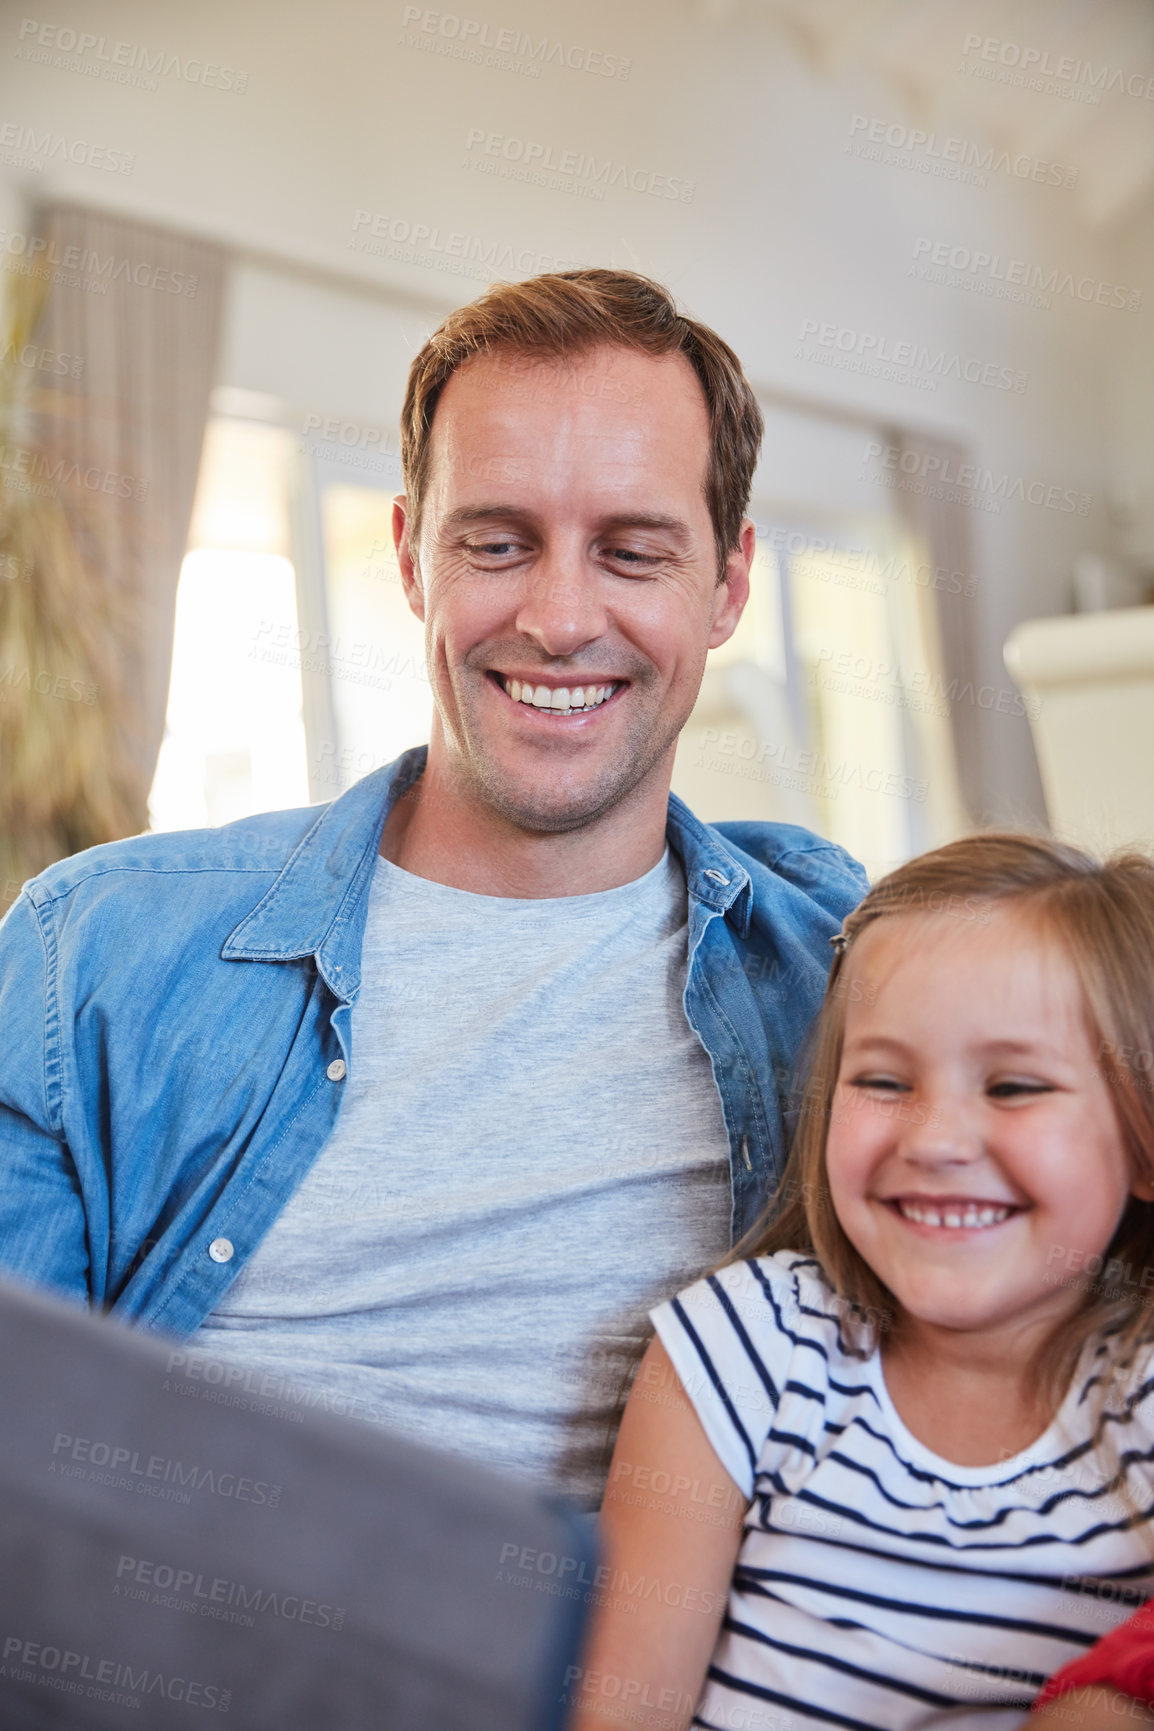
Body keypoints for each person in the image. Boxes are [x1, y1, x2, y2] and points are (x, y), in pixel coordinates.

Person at [0, 269, 867, 1508]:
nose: (560, 618)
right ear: (412, 557)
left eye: (631, 552)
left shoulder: (846, 972)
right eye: (497, 544)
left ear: (727, 585)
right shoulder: (87, 959)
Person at [567, 832, 1154, 1727]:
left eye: (1014, 1087)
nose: (934, 1140)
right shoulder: (747, 1346)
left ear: (1142, 1137)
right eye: (883, 1079)